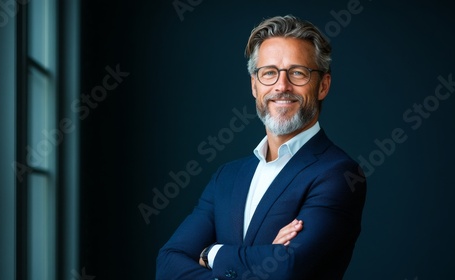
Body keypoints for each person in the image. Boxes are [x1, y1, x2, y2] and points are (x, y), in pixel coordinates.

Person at [156, 15, 366, 280]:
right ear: (254, 86)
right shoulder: (227, 178)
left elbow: (288, 267)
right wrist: (263, 257)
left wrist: (211, 254)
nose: (281, 86)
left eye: (298, 73)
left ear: (323, 85)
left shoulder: (340, 174)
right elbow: (167, 264)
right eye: (269, 73)